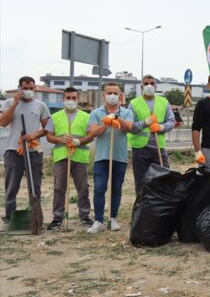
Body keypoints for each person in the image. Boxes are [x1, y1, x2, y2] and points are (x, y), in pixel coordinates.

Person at [85, 83, 134, 234]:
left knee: (116, 189)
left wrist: (116, 117)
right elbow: (93, 132)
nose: (112, 95)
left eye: (115, 93)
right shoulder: (96, 112)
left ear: (120, 96)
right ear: (104, 95)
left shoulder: (126, 112)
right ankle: (99, 220)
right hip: (101, 157)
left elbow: (129, 127)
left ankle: (112, 218)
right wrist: (106, 124)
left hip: (119, 157)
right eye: (109, 92)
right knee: (99, 188)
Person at [0, 76, 50, 225]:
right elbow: (3, 122)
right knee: (11, 186)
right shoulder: (9, 103)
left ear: (34, 89)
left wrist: (34, 134)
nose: (28, 91)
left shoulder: (41, 105)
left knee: (35, 186)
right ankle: (10, 217)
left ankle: (35, 217)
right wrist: (15, 104)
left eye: (31, 88)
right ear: (20, 89)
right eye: (25, 88)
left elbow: (48, 129)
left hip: (33, 150)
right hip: (13, 151)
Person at [45, 87, 92, 230]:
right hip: (61, 156)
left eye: (74, 98)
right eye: (68, 98)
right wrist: (60, 139)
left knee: (83, 188)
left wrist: (79, 141)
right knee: (59, 188)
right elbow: (49, 136)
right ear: (63, 99)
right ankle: (57, 218)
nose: (71, 101)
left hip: (80, 156)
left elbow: (90, 135)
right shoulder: (55, 116)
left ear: (78, 99)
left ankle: (84, 216)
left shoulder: (86, 116)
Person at [127, 75, 176, 196]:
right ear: (141, 86)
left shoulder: (163, 102)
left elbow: (171, 121)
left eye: (152, 83)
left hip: (158, 148)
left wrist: (161, 127)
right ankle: (142, 208)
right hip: (140, 149)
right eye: (146, 83)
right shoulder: (133, 104)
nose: (149, 86)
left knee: (164, 179)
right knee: (141, 182)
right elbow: (130, 127)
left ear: (156, 86)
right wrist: (145, 123)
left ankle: (161, 206)